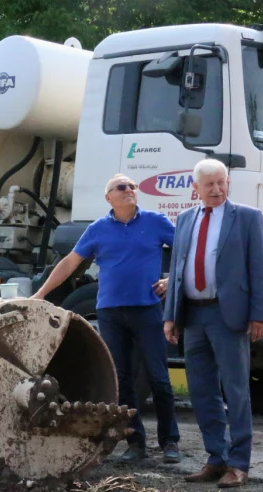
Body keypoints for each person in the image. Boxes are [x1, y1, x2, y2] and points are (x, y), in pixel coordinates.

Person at [32, 173, 181, 464]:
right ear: (108, 198)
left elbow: (186, 251)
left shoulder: (155, 221)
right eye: (121, 187)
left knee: (159, 378)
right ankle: (134, 443)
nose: (129, 190)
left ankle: (170, 442)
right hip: (111, 313)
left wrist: (171, 279)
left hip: (148, 310)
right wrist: (40, 295)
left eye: (133, 187)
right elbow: (69, 264)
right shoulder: (98, 229)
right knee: (122, 380)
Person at [163, 159, 263, 488]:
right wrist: (171, 316)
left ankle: (239, 463)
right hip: (193, 315)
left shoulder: (247, 218)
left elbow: (260, 270)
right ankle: (216, 457)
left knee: (236, 390)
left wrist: (259, 315)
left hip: (230, 316)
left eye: (221, 182)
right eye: (208, 184)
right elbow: (178, 270)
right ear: (195, 188)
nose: (216, 189)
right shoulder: (184, 219)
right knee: (201, 390)